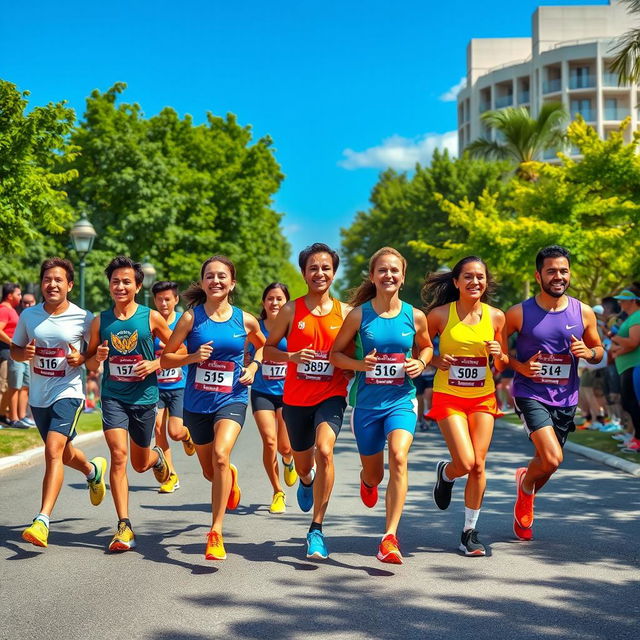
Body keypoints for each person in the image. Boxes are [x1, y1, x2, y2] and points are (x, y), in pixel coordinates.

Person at [331, 247, 432, 564]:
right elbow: (336, 355)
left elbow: (427, 347)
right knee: (375, 474)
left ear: (403, 277)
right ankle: (367, 480)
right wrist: (361, 365)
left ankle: (389, 537)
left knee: (399, 457)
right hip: (367, 406)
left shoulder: (415, 316)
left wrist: (420, 361)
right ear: (373, 277)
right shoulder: (359, 315)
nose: (389, 275)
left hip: (401, 400)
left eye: (395, 271)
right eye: (382, 270)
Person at [161, 255, 265, 560]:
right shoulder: (191, 319)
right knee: (211, 470)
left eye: (222, 276)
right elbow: (166, 358)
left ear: (232, 283)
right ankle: (227, 476)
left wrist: (254, 367)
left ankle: (215, 532)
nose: (216, 281)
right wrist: (192, 358)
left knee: (221, 454)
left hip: (232, 397)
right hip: (196, 403)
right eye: (210, 276)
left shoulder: (245, 320)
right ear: (203, 282)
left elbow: (261, 344)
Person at [506, 245, 603, 541]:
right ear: (538, 276)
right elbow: (497, 353)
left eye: (563, 271)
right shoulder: (519, 313)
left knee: (547, 465)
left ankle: (526, 482)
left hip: (566, 398)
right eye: (551, 271)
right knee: (551, 458)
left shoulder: (583, 312)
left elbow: (598, 351)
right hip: (530, 393)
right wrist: (521, 368)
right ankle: (525, 490)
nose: (558, 276)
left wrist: (589, 352)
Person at [85, 256, 181, 552]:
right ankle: (124, 525)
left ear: (137, 286)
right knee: (118, 455)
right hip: (113, 396)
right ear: (109, 285)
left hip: (144, 398)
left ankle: (157, 458)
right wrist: (97, 359)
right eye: (116, 281)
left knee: (139, 464)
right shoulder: (100, 320)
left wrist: (155, 363)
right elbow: (89, 361)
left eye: (127, 281)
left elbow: (181, 350)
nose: (121, 286)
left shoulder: (151, 317)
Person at [10, 258, 107, 548]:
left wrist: (83, 359)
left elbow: (92, 363)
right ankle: (92, 471)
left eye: (58, 280)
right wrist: (21, 353)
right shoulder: (29, 316)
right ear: (42, 283)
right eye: (47, 279)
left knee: (52, 451)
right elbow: (15, 351)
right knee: (64, 454)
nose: (52, 284)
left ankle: (42, 520)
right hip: (39, 398)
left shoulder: (84, 318)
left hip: (69, 392)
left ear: (70, 285)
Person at [264, 242, 349, 560]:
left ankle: (316, 529)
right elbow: (268, 349)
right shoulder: (291, 310)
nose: (320, 273)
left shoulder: (346, 313)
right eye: (313, 267)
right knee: (303, 462)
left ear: (334, 273)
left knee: (325, 450)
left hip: (331, 394)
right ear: (303, 273)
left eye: (326, 267)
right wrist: (291, 355)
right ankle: (306, 478)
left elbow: (355, 352)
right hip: (296, 400)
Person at [423, 256, 508, 556]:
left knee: (479, 465)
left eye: (480, 277)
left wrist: (499, 354)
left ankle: (468, 532)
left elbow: (504, 360)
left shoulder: (496, 317)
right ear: (456, 282)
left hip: (483, 397)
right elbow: (418, 349)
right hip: (449, 396)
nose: (475, 282)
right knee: (466, 462)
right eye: (468, 277)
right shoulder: (439, 315)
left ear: (486, 282)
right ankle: (447, 473)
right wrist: (434, 359)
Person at [250, 282, 297, 514]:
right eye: (270, 298)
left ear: (286, 302)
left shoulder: (293, 328)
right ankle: (277, 491)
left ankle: (289, 460)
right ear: (264, 302)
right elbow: (244, 355)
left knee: (285, 447)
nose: (275, 303)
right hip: (262, 392)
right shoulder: (256, 329)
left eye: (279, 299)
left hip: (289, 393)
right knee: (269, 442)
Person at [152, 280, 196, 493]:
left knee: (175, 432)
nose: (163, 303)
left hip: (180, 385)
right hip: (156, 386)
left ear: (176, 299)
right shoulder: (150, 321)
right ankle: (171, 475)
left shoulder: (183, 321)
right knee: (159, 429)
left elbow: (191, 351)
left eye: (167, 299)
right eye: (159, 299)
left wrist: (170, 351)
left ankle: (187, 436)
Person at [609, 284, 640, 452]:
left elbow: (633, 343)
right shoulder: (629, 318)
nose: (620, 303)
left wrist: (615, 339)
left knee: (633, 403)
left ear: (634, 300)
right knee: (628, 404)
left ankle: (638, 440)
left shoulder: (637, 317)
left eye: (624, 300)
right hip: (626, 367)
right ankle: (636, 437)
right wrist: (617, 348)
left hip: (635, 366)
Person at [0, 283, 23, 427]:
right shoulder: (4, 310)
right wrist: (12, 343)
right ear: (9, 296)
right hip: (5, 352)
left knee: (10, 386)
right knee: (3, 385)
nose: (20, 297)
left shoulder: (12, 310)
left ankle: (3, 416)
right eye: (18, 294)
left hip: (11, 352)